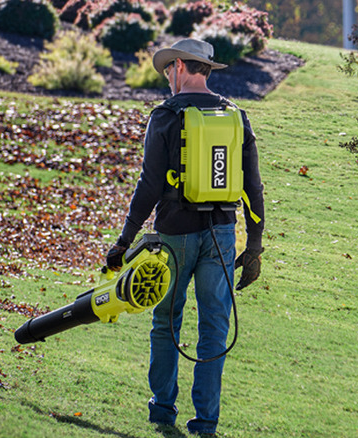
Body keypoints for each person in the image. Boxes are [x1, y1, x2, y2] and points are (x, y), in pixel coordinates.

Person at [105, 38, 265, 436]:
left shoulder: (166, 115)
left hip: (174, 234)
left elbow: (149, 186)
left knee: (166, 322)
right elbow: (254, 187)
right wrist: (255, 245)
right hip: (223, 235)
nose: (165, 79)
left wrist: (124, 241)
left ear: (179, 66)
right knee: (214, 327)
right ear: (205, 69)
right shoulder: (235, 115)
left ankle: (162, 408)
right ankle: (206, 421)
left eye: (166, 71)